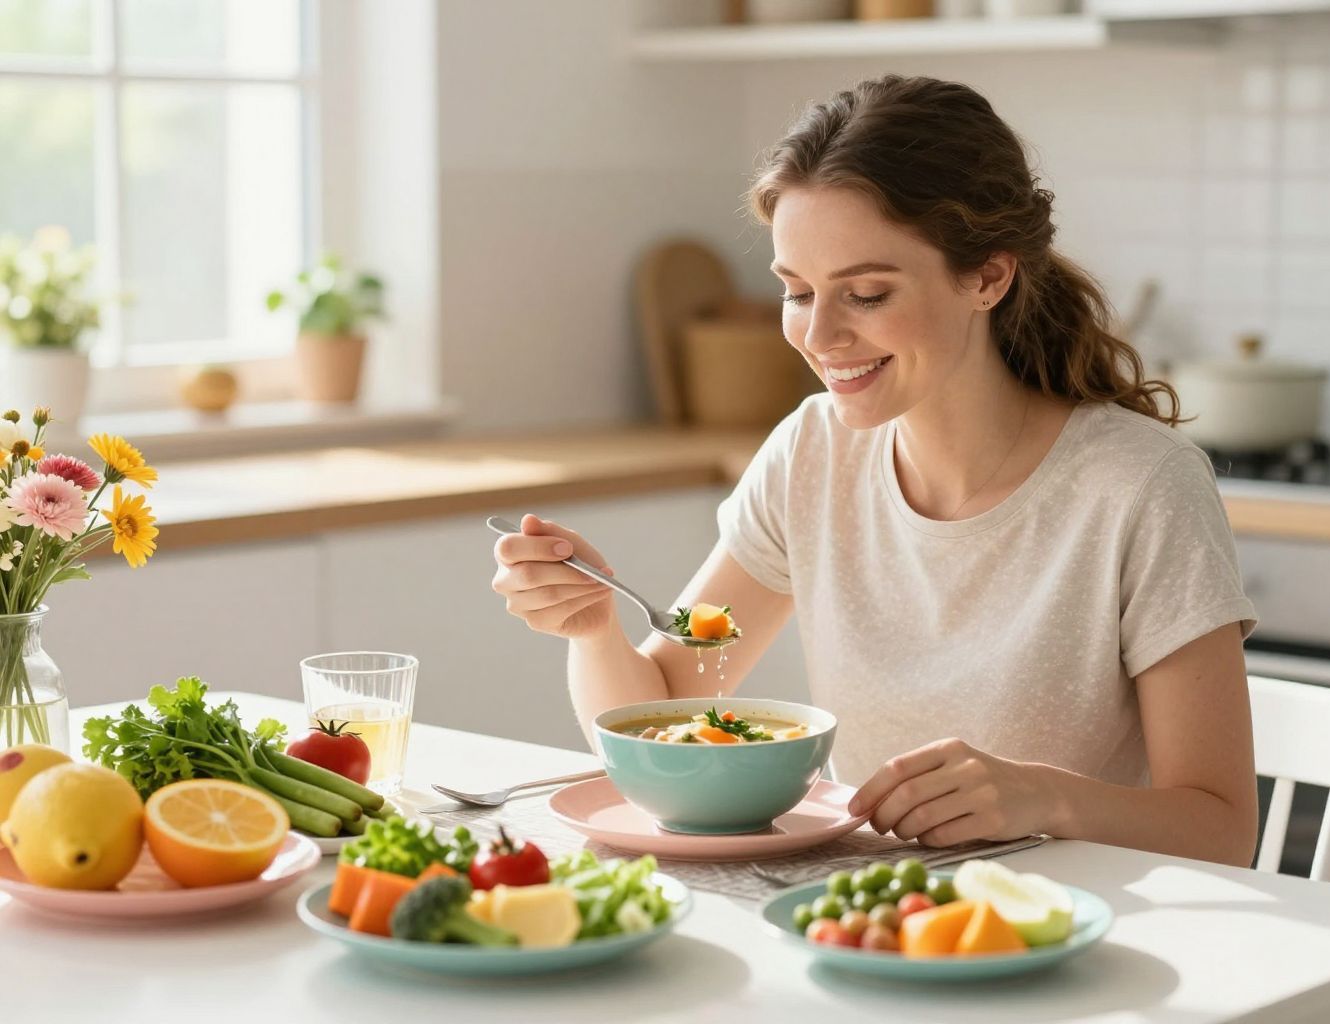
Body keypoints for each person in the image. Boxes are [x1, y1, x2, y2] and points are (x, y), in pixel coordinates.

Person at [492, 75, 1259, 867]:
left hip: (1067, 938)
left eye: (864, 293)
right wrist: (592, 631)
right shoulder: (812, 452)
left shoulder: (1141, 486)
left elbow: (1223, 831)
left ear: (988, 278)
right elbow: (656, 716)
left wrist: (1045, 797)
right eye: (796, 291)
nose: (819, 334)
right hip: (866, 919)